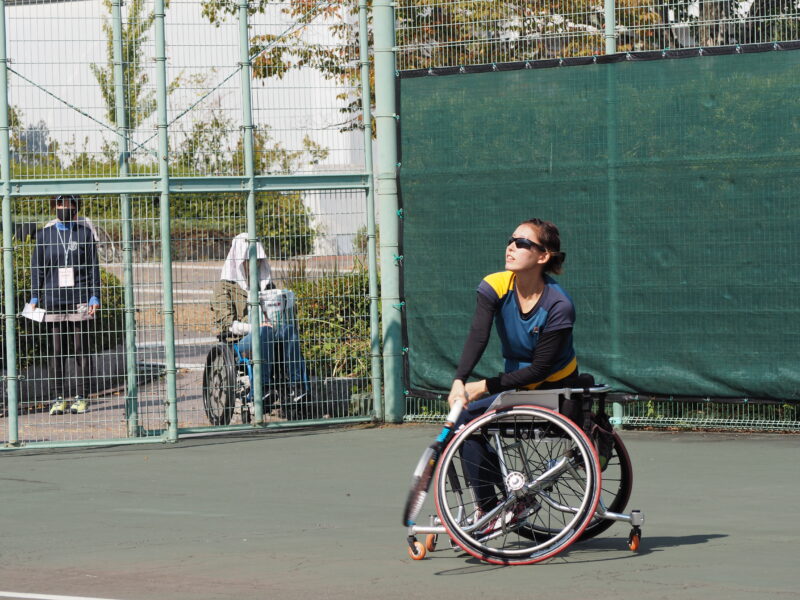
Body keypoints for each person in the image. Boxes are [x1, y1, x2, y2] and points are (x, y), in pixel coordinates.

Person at [447, 218, 578, 530]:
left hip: (555, 391)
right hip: (517, 389)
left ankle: (497, 507)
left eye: (522, 243)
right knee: (465, 421)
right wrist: (459, 380)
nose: (511, 247)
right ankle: (496, 507)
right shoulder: (494, 285)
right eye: (511, 240)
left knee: (469, 420)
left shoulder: (559, 305)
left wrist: (483, 386)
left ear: (543, 256)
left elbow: (539, 370)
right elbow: (478, 336)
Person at [211, 233, 308, 405]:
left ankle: (297, 385)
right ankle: (262, 388)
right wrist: (255, 327)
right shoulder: (224, 287)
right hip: (240, 340)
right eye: (249, 259)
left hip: (271, 331)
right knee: (264, 332)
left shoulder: (265, 284)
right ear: (239, 260)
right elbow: (227, 324)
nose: (254, 264)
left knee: (289, 330)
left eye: (257, 260)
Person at [30, 195, 101, 415]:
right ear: (55, 207)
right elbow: (37, 268)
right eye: (60, 204)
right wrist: (35, 297)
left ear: (76, 208)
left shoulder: (85, 233)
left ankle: (82, 397)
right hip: (53, 299)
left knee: (81, 349)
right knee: (57, 350)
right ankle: (57, 398)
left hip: (79, 298)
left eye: (69, 205)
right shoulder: (44, 235)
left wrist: (94, 295)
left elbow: (93, 267)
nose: (64, 208)